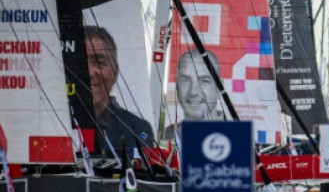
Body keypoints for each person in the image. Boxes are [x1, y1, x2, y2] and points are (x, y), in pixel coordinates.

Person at [84, 26, 154, 155]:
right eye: (81, 62)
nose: (89, 72)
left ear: (115, 73)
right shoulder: (47, 126)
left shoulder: (137, 129)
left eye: (99, 63)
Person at [162, 49, 224, 140]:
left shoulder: (235, 136)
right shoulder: (168, 134)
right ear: (177, 85)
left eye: (204, 81)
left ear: (219, 87)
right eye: (185, 81)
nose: (193, 92)